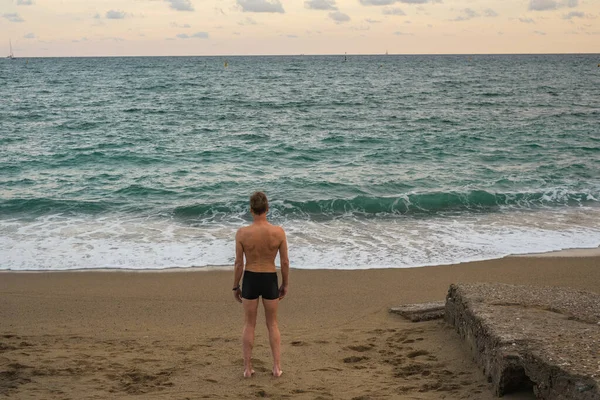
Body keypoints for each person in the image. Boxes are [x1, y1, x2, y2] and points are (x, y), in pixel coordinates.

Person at [232, 192, 289, 378]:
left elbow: (239, 263)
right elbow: (285, 262)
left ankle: (248, 369)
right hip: (269, 278)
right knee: (272, 324)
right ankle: (276, 368)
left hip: (250, 278)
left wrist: (236, 286)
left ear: (251, 209)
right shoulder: (278, 232)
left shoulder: (242, 233)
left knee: (249, 324)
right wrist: (285, 284)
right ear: (267, 209)